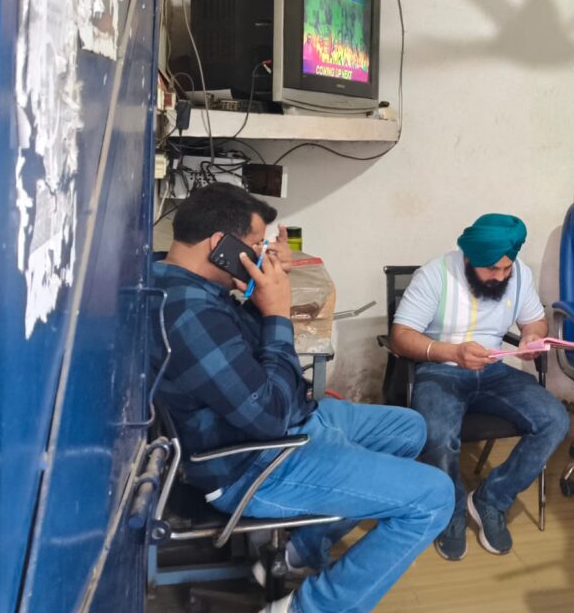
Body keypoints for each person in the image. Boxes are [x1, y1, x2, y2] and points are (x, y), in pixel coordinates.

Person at [153, 183, 453, 613]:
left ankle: (300, 551)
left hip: (292, 419)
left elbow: (247, 359)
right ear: (221, 245)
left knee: (410, 428)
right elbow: (270, 416)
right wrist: (277, 311)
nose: (261, 254)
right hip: (257, 460)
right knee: (434, 497)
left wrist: (260, 294)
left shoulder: (188, 285)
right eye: (256, 245)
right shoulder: (188, 312)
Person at [389, 214, 570, 561]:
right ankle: (451, 509)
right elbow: (401, 337)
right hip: (441, 369)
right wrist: (452, 353)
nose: (500, 276)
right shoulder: (435, 275)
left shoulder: (518, 275)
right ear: (469, 258)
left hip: (493, 371)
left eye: (506, 268)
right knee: (438, 435)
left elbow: (534, 320)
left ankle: (491, 500)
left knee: (555, 420)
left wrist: (532, 337)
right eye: (492, 269)